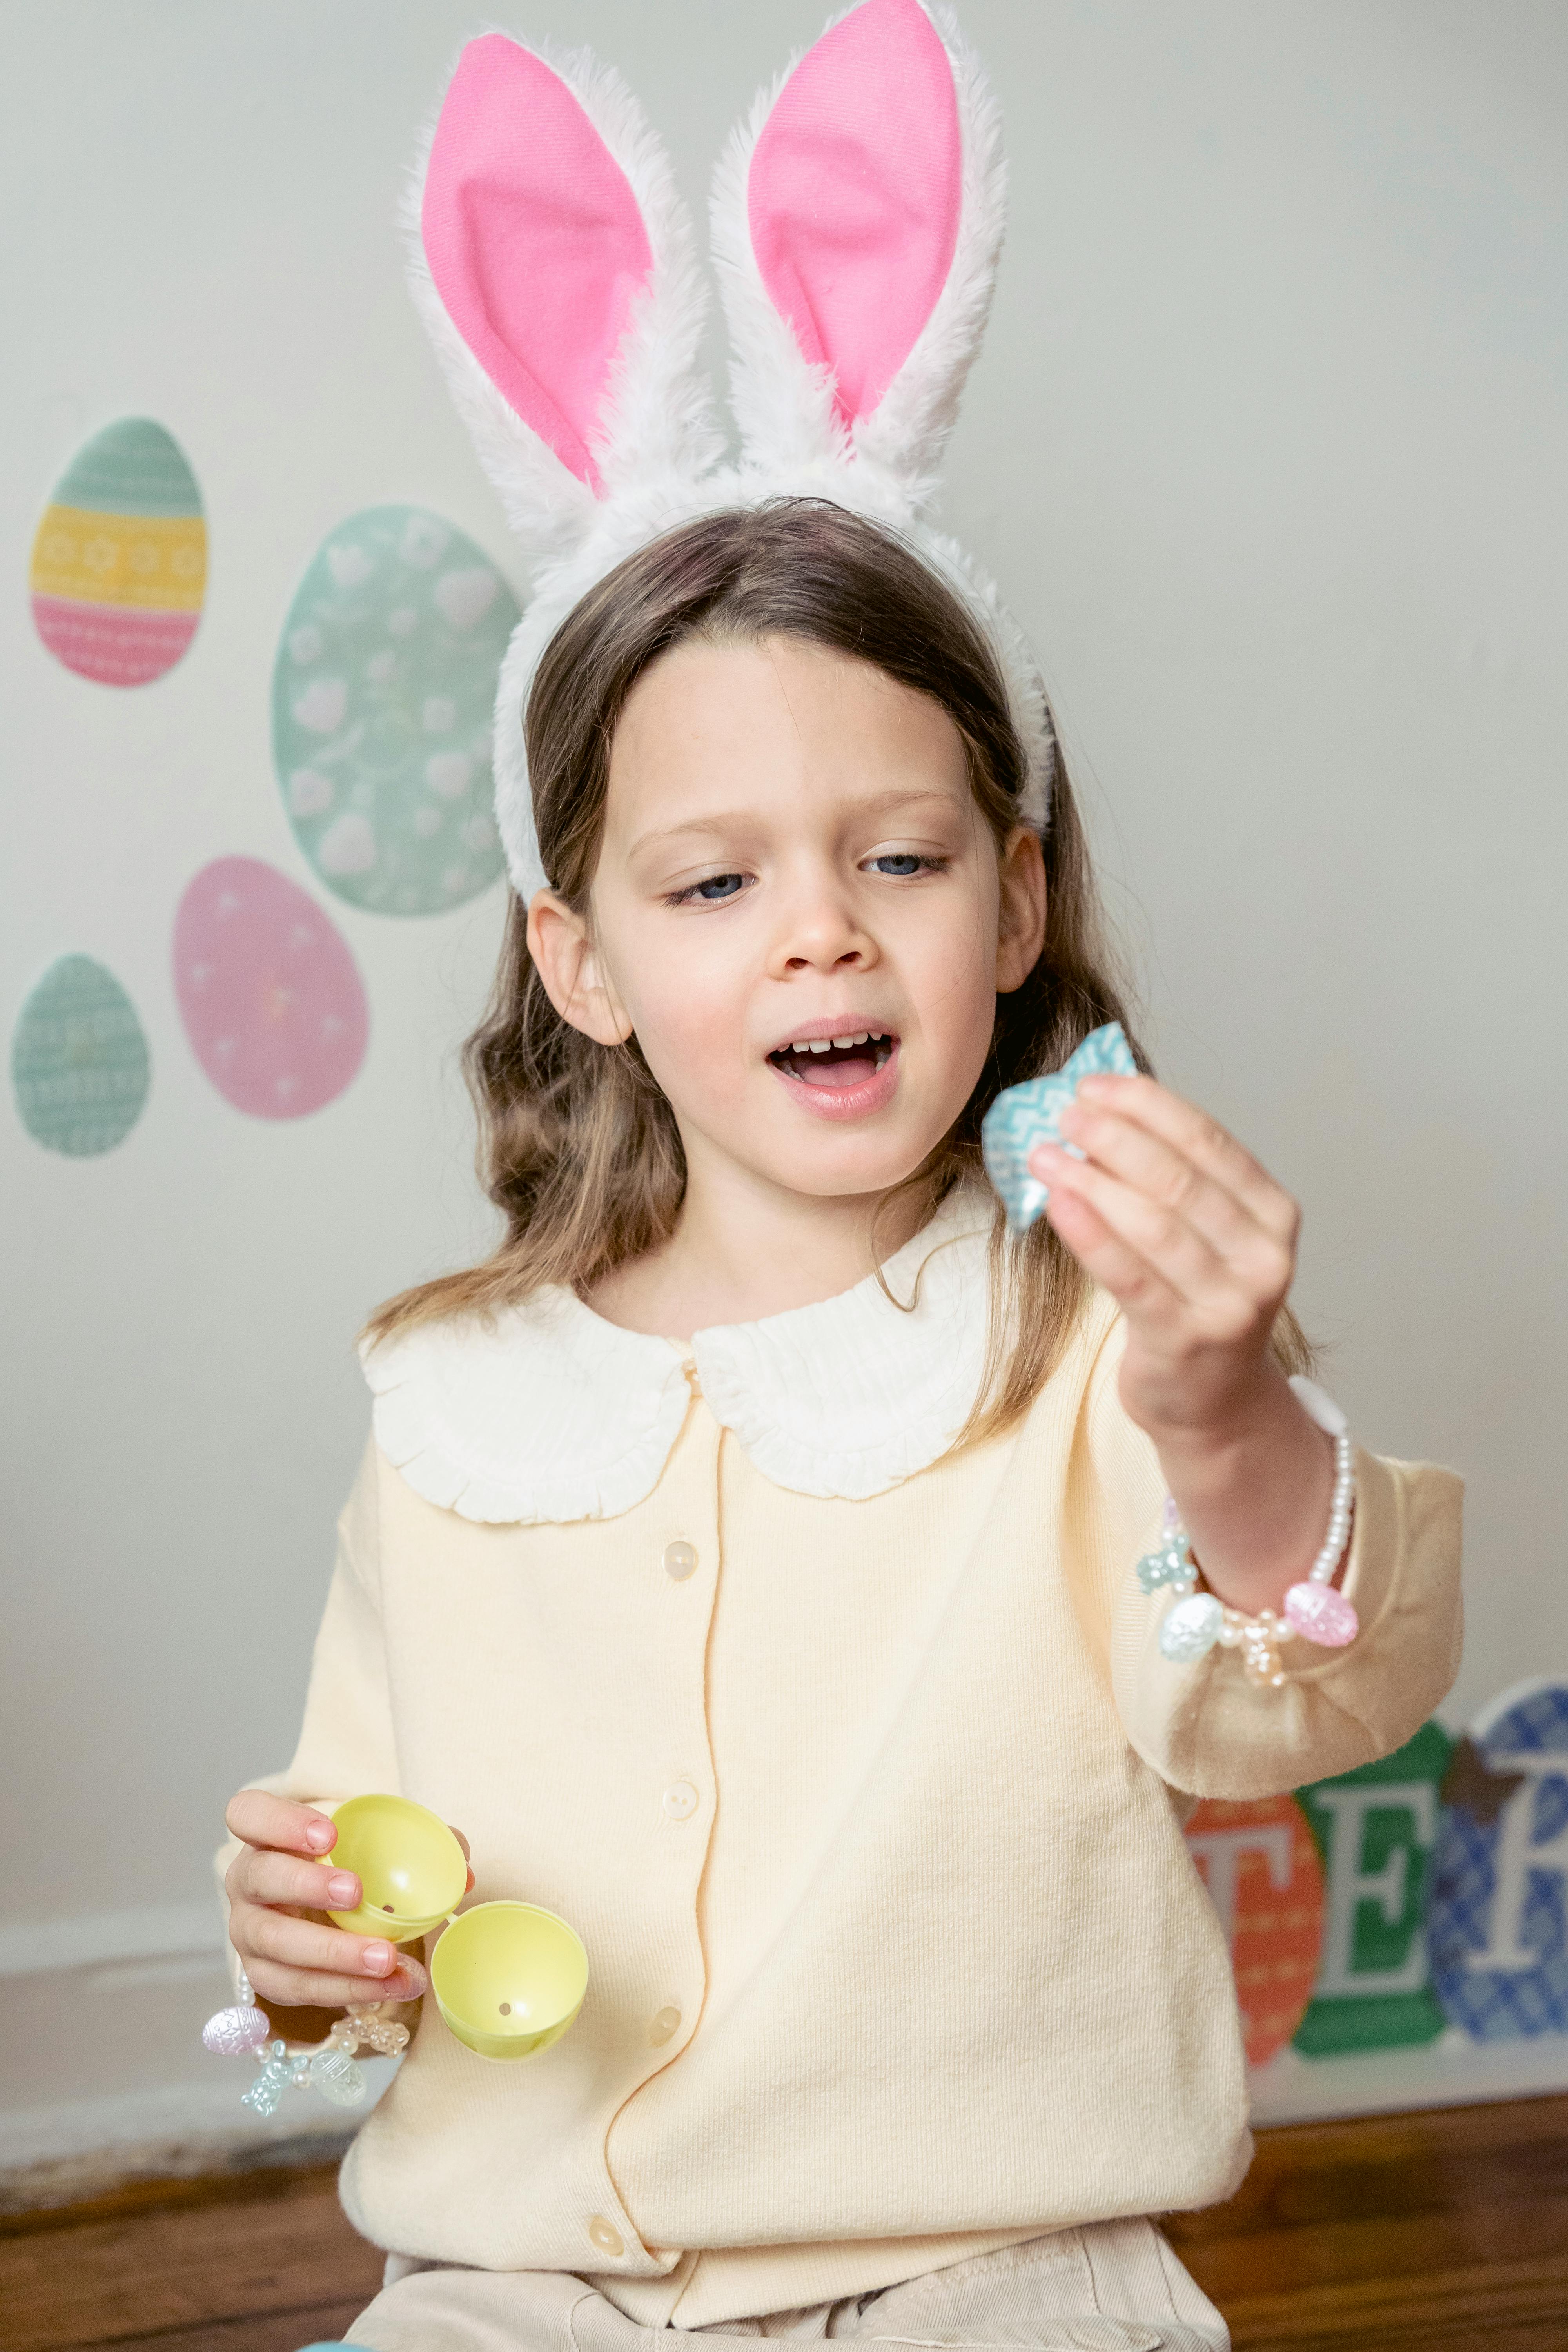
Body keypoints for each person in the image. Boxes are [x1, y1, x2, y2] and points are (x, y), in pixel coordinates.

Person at [217, 13, 1462, 2352]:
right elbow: (365, 1885)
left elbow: (1327, 1694)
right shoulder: (454, 1400)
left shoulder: (1090, 1338)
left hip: (1010, 2268)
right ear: (579, 966)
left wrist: (1224, 1407)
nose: (818, 928)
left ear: (1010, 900)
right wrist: (308, 1951)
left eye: (894, 856)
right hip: (524, 2284)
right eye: (712, 888)